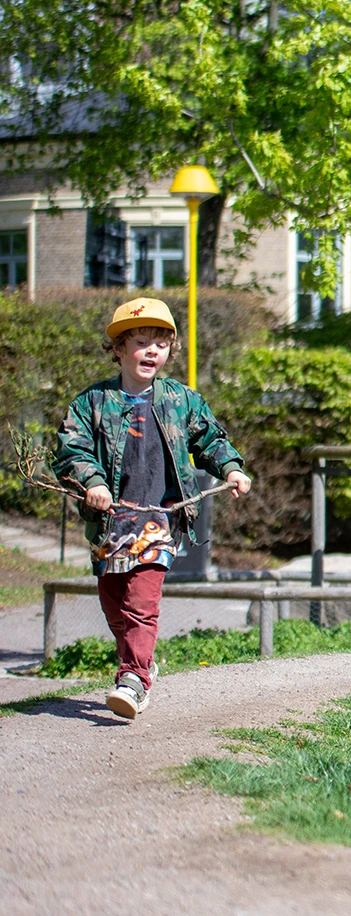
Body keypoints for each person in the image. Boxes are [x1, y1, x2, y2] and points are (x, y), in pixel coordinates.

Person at [52, 297, 251, 721]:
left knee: (143, 602)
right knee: (115, 605)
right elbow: (71, 449)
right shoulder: (92, 403)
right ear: (119, 349)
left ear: (169, 352)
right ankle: (141, 663)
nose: (151, 352)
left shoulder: (181, 400)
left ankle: (135, 679)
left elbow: (210, 440)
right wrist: (93, 482)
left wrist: (231, 468)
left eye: (160, 345)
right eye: (141, 342)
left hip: (159, 519)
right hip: (110, 522)